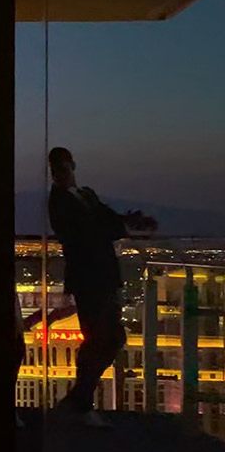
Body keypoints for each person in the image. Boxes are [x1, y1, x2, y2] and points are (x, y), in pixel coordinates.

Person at [48, 146, 155, 427]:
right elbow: (91, 229)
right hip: (89, 279)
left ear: (72, 166)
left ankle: (79, 399)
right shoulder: (59, 201)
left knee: (106, 337)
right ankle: (79, 401)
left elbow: (105, 221)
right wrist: (123, 225)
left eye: (64, 167)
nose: (61, 173)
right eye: (57, 169)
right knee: (104, 337)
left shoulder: (85, 195)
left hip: (101, 276)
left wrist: (128, 222)